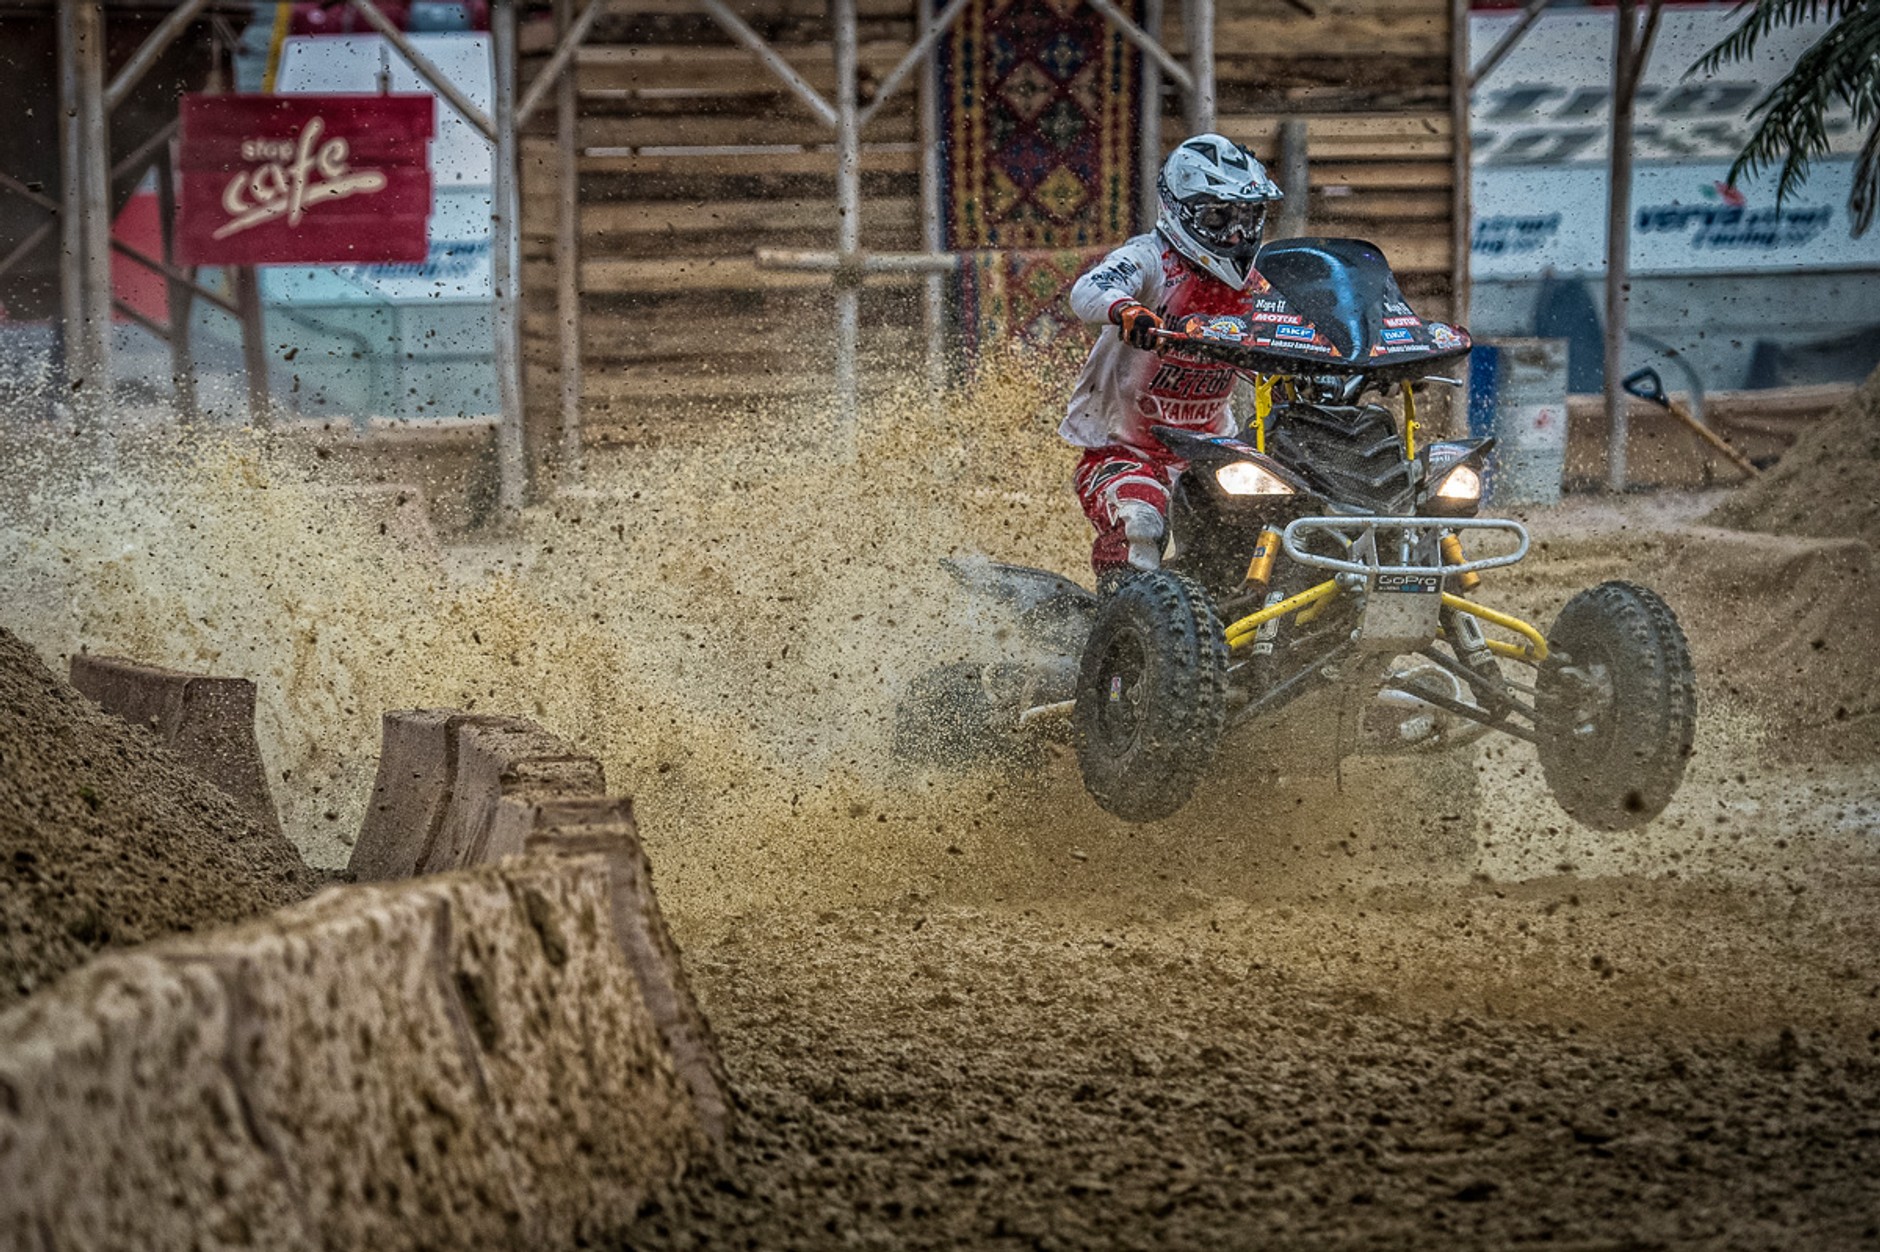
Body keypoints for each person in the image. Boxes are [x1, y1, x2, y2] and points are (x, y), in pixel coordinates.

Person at [1061, 133, 1284, 584]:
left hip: (1214, 454)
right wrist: (1125, 310)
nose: (1237, 235)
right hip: (1124, 451)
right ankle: (1122, 623)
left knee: (1272, 527)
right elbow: (1087, 289)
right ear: (1180, 211)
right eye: (1220, 217)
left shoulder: (1257, 288)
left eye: (1248, 216)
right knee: (1142, 524)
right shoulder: (1151, 258)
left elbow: (1297, 334)